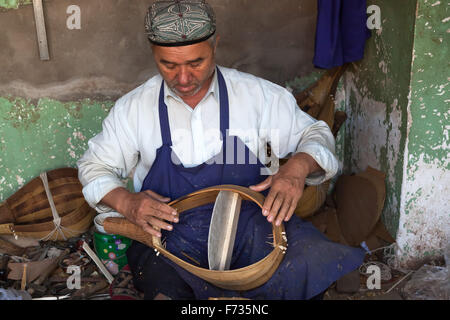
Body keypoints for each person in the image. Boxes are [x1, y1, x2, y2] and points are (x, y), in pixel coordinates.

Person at [77, 0, 365, 300]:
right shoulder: (134, 109)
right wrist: (126, 201)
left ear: (215, 44)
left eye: (195, 63)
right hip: (169, 239)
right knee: (165, 287)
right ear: (154, 54)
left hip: (255, 228)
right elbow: (93, 167)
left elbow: (314, 133)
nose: (184, 78)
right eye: (169, 65)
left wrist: (297, 167)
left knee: (310, 261)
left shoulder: (256, 95)